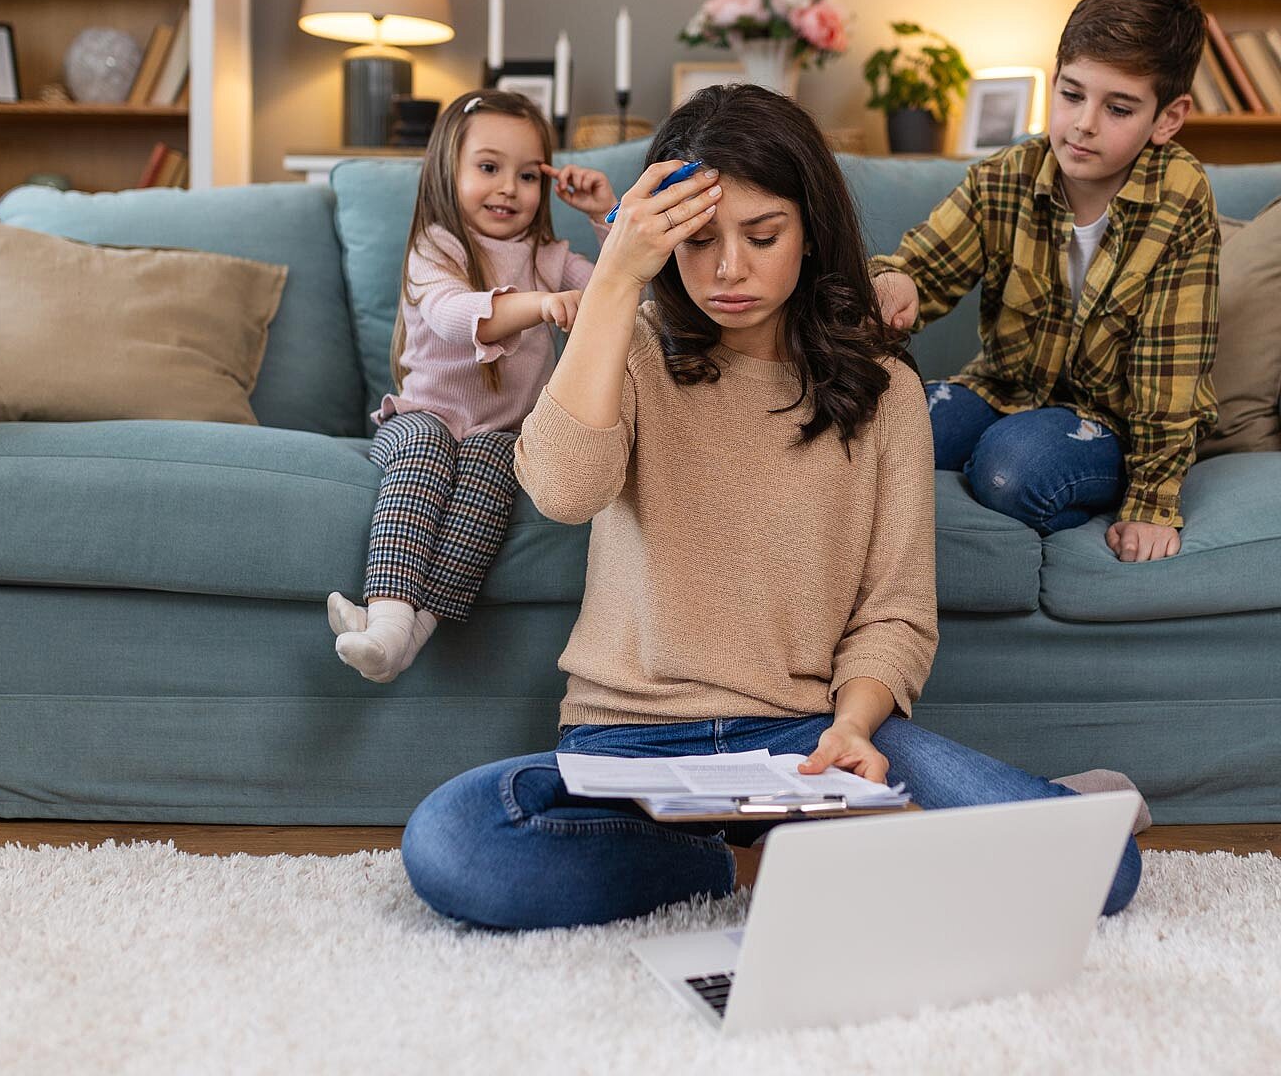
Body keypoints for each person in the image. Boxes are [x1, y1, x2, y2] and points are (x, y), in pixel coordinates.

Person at [397, 85, 1144, 931]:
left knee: (1103, 869)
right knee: (456, 844)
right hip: (628, 744)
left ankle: (884, 831)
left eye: (763, 236)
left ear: (810, 232)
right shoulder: (630, 349)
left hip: (806, 742)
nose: (728, 271)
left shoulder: (886, 390)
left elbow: (895, 613)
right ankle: (739, 857)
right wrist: (613, 284)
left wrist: (855, 730)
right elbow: (565, 491)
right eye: (698, 240)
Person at [871, 0, 1220, 562]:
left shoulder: (1180, 199)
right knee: (881, 421)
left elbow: (1172, 370)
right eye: (1072, 93)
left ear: (1167, 117)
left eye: (1118, 108)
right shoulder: (1007, 175)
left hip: (1112, 424)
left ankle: (1020, 466)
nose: (1083, 124)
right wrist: (894, 283)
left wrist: (1152, 504)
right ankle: (997, 447)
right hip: (1002, 391)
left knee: (1013, 470)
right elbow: (921, 268)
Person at [327, 89, 617, 682]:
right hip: (416, 419)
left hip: (500, 432)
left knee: (493, 459)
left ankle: (405, 640)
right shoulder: (437, 247)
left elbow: (621, 293)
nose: (509, 187)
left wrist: (606, 215)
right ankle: (386, 617)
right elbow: (455, 316)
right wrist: (540, 304)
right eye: (489, 168)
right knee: (428, 443)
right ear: (448, 170)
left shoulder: (551, 256)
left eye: (528, 174)